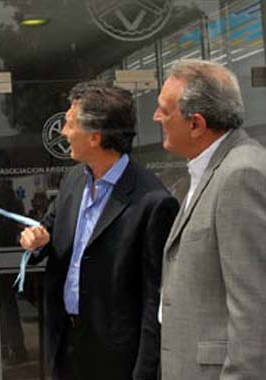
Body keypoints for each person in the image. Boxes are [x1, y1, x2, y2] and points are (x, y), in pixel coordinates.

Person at [20, 81, 179, 380]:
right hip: (66, 344)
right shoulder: (73, 181)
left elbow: (153, 300)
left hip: (116, 358)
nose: (63, 133)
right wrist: (35, 240)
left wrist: (145, 371)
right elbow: (50, 232)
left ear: (95, 137)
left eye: (69, 124)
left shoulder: (152, 203)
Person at [154, 59, 266, 380]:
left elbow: (254, 311)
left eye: (165, 109)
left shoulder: (241, 174)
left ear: (196, 124)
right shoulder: (209, 169)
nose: (156, 117)